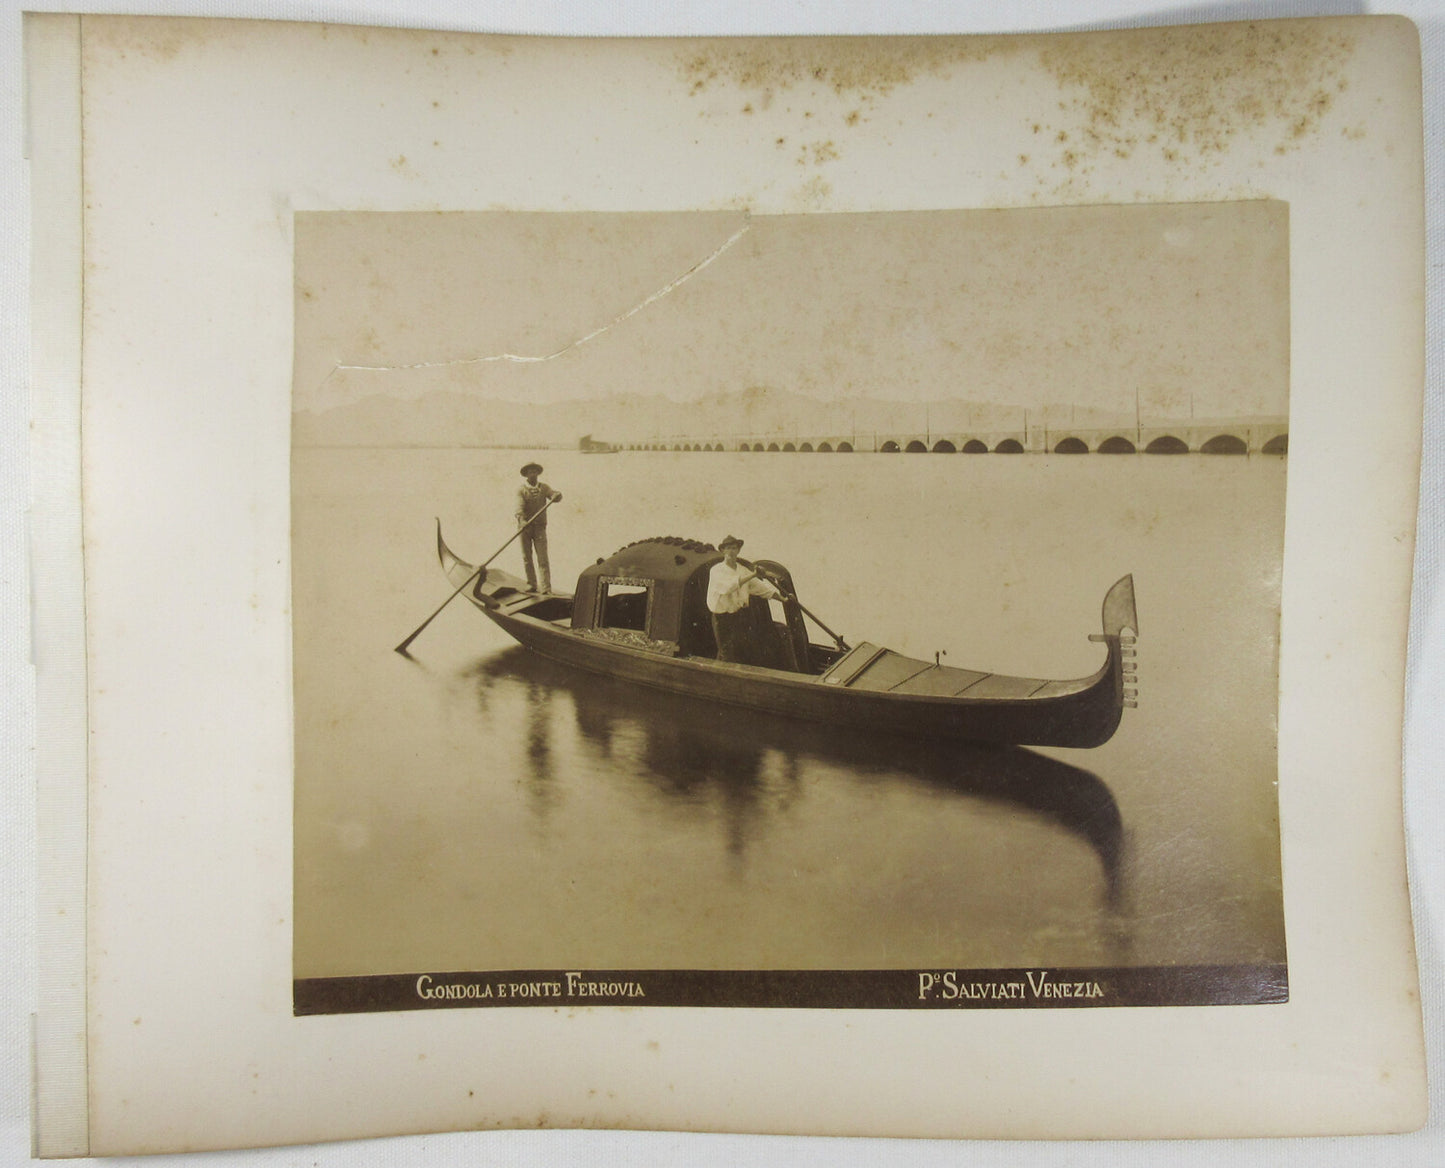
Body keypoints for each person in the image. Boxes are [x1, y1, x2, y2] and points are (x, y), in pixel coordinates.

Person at [706, 535, 782, 664]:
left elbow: (762, 589)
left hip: (738, 616)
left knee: (739, 649)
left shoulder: (742, 570)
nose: (731, 551)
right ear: (723, 551)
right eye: (728, 548)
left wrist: (783, 599)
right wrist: (753, 574)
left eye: (734, 548)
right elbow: (729, 587)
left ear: (738, 550)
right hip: (721, 618)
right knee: (726, 651)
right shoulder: (716, 570)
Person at [516, 463, 562, 593]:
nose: (533, 474)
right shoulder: (521, 490)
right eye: (530, 472)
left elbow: (553, 495)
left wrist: (557, 495)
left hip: (540, 528)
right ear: (526, 475)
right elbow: (519, 508)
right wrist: (522, 520)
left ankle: (546, 588)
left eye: (535, 472)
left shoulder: (544, 487)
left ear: (538, 473)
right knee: (527, 558)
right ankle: (532, 584)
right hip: (524, 528)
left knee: (543, 558)